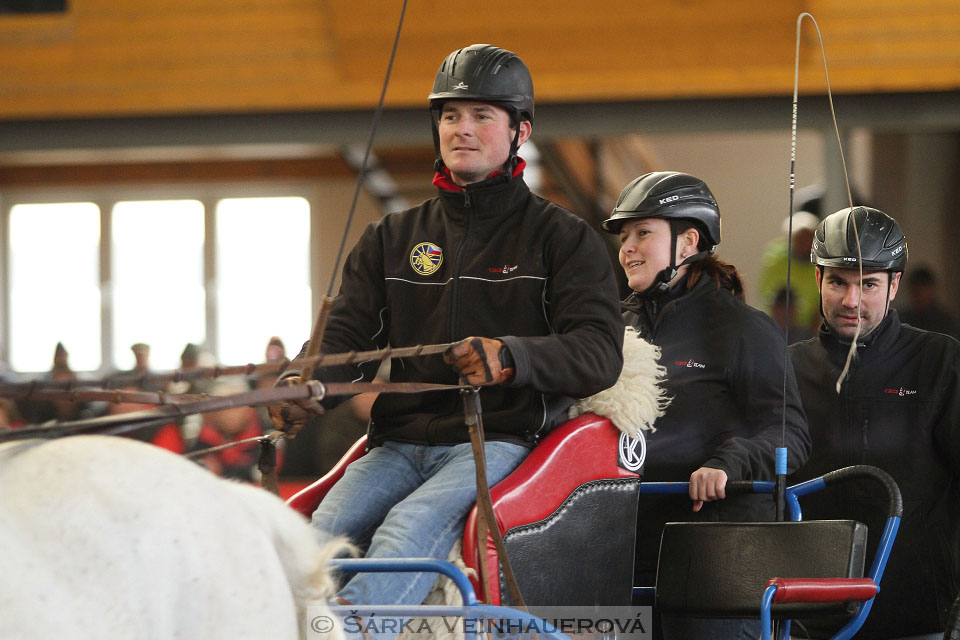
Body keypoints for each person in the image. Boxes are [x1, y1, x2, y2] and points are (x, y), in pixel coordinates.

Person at [269, 43, 623, 615]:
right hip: (397, 443)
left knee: (404, 536)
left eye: (483, 115)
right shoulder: (390, 237)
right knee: (314, 539)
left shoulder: (564, 238)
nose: (462, 129)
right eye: (451, 115)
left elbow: (599, 353)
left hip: (500, 440)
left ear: (519, 131)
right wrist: (305, 384)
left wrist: (510, 357)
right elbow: (346, 343)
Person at [600, 171, 810, 640]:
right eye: (625, 236)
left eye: (643, 233)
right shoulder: (610, 327)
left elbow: (789, 435)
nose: (627, 247)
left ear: (687, 241)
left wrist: (726, 464)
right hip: (617, 547)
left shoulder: (742, 329)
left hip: (712, 555)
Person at [789, 207, 960, 639]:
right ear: (817, 281)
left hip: (919, 613)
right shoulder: (787, 368)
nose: (851, 301)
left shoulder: (939, 362)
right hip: (806, 614)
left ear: (894, 284)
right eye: (838, 283)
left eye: (867, 284)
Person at [758, 210, 821, 335]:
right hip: (776, 328)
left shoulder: (820, 266)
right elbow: (770, 296)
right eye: (800, 239)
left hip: (807, 330)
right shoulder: (776, 261)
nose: (804, 244)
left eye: (808, 239)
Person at [897, 264, 960, 339]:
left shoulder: (946, 321)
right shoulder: (902, 319)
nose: (920, 295)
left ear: (932, 289)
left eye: (923, 290)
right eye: (916, 291)